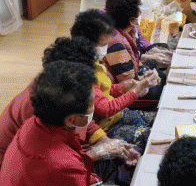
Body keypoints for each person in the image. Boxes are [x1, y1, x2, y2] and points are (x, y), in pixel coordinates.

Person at [0, 37, 136, 176]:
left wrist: (105, 141)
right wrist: (98, 152)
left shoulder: (61, 94)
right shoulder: (42, 108)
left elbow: (82, 118)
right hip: (23, 170)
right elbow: (54, 165)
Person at [71, 10, 156, 158]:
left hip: (113, 116)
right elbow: (104, 109)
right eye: (104, 44)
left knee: (154, 121)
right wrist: (135, 90)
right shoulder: (83, 74)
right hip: (106, 124)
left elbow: (106, 89)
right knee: (150, 136)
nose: (106, 48)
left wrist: (126, 86)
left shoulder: (96, 61)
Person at [104, 0, 166, 100]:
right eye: (137, 18)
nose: (138, 21)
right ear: (131, 20)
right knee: (158, 90)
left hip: (127, 79)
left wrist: (145, 74)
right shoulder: (116, 45)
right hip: (121, 92)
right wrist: (145, 80)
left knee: (161, 76)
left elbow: (133, 61)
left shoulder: (124, 32)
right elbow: (127, 81)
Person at [104, 0, 172, 68]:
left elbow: (138, 36)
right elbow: (122, 60)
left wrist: (154, 50)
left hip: (133, 54)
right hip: (125, 60)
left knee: (163, 48)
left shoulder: (125, 11)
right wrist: (148, 58)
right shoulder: (110, 23)